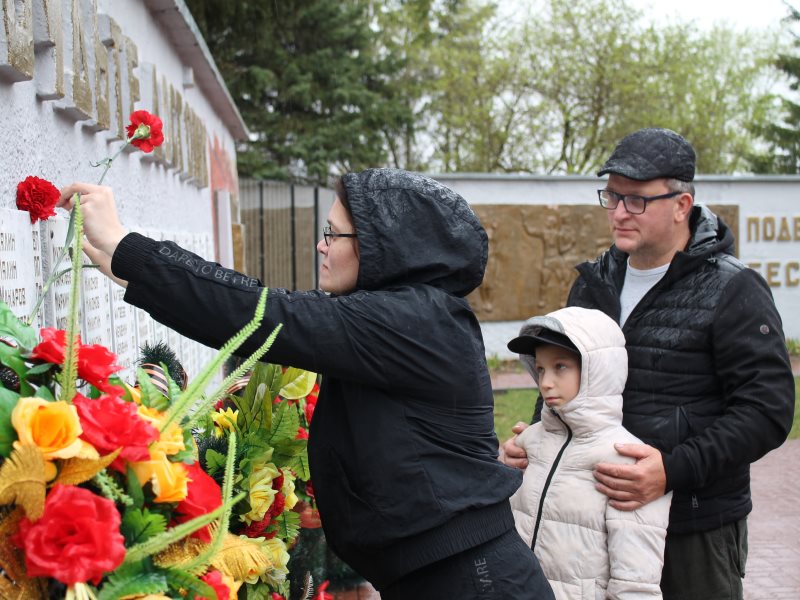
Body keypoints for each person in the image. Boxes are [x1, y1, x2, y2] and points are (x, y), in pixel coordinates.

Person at [59, 169, 555, 600]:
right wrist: (135, 273)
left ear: (384, 249)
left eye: (333, 233)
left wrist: (128, 248)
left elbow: (264, 315)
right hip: (440, 573)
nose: (321, 244)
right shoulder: (409, 315)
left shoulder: (416, 321)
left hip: (474, 581)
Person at [500, 128, 795, 600]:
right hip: (593, 525)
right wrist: (535, 443)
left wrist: (672, 470)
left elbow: (767, 411)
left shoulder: (735, 290)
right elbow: (562, 382)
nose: (618, 212)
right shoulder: (593, 284)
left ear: (681, 204)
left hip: (694, 527)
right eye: (612, 196)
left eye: (636, 200)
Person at [507, 306, 671, 599]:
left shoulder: (630, 462)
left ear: (597, 369)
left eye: (561, 367)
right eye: (541, 368)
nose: (545, 382)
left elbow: (636, 583)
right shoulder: (525, 444)